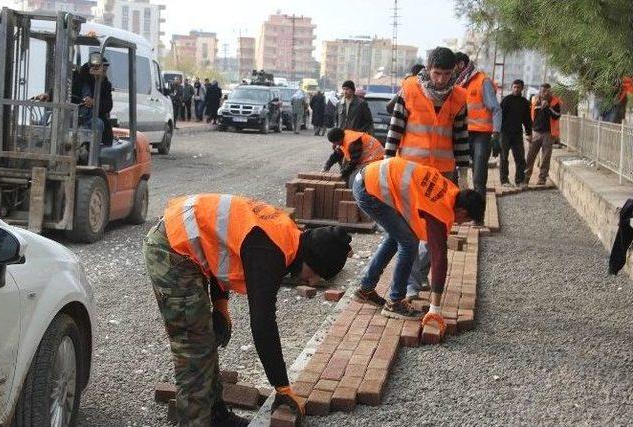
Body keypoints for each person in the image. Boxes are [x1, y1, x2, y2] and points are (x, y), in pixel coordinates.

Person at [143, 194, 352, 426]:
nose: (313, 283)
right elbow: (263, 324)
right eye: (318, 276)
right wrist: (281, 386)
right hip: (172, 248)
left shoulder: (286, 234)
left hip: (187, 244)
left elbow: (220, 249)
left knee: (204, 337)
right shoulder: (270, 252)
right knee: (194, 347)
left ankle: (215, 416)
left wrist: (221, 307)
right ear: (313, 260)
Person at [384, 46, 470, 300]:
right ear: (428, 69)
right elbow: (395, 129)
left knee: (436, 232)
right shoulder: (409, 89)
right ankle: (410, 286)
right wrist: (388, 163)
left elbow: (461, 137)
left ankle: (418, 276)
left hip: (442, 175)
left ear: (454, 71)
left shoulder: (459, 97)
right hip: (410, 171)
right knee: (409, 229)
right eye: (436, 73)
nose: (441, 79)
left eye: (446, 74)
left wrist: (463, 173)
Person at [352, 158, 484, 322]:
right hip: (370, 190)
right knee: (409, 243)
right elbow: (439, 258)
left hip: (369, 179)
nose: (460, 223)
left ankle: (365, 289)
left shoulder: (449, 190)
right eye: (465, 221)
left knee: (397, 237)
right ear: (463, 212)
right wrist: (435, 308)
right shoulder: (439, 209)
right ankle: (395, 302)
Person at [454, 52, 502, 202]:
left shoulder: (483, 81)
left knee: (478, 176)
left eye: (453, 66)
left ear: (461, 65)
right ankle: (459, 210)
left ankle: (478, 215)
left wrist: (496, 134)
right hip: (461, 134)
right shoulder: (456, 83)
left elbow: (495, 109)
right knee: (456, 174)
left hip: (481, 136)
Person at [525, 83, 561, 185]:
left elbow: (557, 116)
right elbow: (528, 116)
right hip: (535, 132)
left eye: (546, 91)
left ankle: (542, 178)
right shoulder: (534, 100)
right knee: (530, 156)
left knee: (545, 157)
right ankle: (526, 177)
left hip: (548, 134)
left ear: (550, 92)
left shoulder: (555, 102)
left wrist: (548, 107)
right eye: (541, 91)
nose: (543, 93)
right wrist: (528, 132)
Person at [499, 79, 532, 188]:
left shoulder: (524, 102)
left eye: (518, 87)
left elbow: (527, 119)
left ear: (522, 89)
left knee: (520, 158)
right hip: (504, 133)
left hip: (517, 134)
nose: (516, 89)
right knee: (504, 157)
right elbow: (499, 116)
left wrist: (529, 132)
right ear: (511, 87)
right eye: (514, 87)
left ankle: (520, 180)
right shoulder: (506, 100)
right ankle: (504, 180)